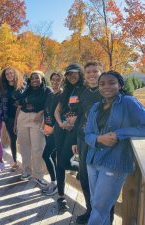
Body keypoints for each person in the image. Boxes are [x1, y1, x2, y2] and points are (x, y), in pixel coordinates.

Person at [85, 70, 145, 225]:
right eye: (102, 83)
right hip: (92, 161)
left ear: (120, 84)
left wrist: (119, 133)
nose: (106, 87)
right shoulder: (96, 107)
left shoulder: (128, 102)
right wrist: (99, 138)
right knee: (97, 205)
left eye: (112, 82)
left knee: (99, 208)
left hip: (115, 162)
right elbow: (87, 134)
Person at [71, 61, 105, 224]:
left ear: (101, 73)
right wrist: (75, 140)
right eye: (88, 72)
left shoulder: (108, 91)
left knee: (101, 181)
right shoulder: (84, 93)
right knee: (84, 177)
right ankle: (90, 210)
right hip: (83, 139)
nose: (92, 75)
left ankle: (103, 216)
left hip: (100, 142)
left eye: (95, 71)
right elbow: (79, 117)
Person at [53, 63, 85, 212]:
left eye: (75, 73)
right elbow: (56, 111)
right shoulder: (65, 91)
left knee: (66, 161)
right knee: (60, 162)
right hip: (62, 130)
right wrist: (60, 124)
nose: (72, 76)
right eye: (69, 74)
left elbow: (88, 112)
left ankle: (82, 170)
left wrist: (76, 120)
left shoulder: (85, 90)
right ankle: (61, 196)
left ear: (80, 74)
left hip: (75, 131)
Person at [15, 71, 53, 187]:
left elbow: (50, 105)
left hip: (38, 119)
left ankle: (38, 175)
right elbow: (20, 104)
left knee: (38, 148)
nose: (34, 80)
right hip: (23, 117)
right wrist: (15, 122)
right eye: (32, 79)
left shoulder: (47, 90)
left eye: (37, 78)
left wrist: (41, 112)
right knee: (24, 147)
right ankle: (27, 170)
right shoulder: (28, 90)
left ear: (42, 79)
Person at [0, 67, 25, 171]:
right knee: (13, 140)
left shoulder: (22, 87)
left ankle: (26, 162)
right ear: (5, 76)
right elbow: (0, 103)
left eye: (11, 73)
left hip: (22, 117)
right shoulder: (3, 88)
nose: (9, 75)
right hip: (9, 117)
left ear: (15, 74)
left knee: (23, 140)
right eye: (7, 74)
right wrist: (3, 117)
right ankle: (15, 161)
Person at [41, 72, 63, 195]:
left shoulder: (62, 95)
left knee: (45, 155)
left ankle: (54, 182)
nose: (55, 82)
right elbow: (46, 112)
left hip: (57, 131)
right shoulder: (49, 94)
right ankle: (57, 182)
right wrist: (44, 126)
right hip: (47, 129)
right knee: (53, 157)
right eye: (53, 79)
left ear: (62, 81)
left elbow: (62, 113)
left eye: (58, 80)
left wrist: (54, 128)